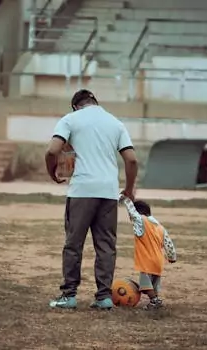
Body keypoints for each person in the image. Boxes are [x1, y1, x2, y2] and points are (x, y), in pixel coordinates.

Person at [45, 89, 138, 310]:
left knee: (73, 245)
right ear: (95, 101)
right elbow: (132, 160)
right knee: (106, 245)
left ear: (76, 106)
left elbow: (52, 151)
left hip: (81, 191)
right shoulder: (115, 123)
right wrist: (130, 188)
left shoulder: (70, 120)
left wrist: (52, 173)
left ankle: (69, 296)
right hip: (107, 192)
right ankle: (104, 297)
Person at [119, 194, 177, 310]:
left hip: (147, 261)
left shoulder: (142, 221)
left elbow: (133, 214)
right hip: (158, 261)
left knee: (145, 286)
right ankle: (154, 301)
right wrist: (171, 257)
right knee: (153, 285)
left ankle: (155, 301)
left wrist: (125, 199)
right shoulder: (160, 227)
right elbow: (168, 243)